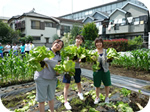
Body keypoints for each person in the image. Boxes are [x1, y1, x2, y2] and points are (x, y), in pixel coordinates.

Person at [34, 39, 64, 112]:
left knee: (51, 98)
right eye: (57, 43)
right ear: (53, 43)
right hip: (41, 78)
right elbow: (36, 61)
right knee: (41, 100)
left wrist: (61, 71)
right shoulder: (45, 51)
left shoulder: (58, 56)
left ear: (60, 48)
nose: (58, 45)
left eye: (60, 45)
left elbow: (57, 68)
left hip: (52, 79)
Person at [63, 35, 85, 110]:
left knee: (78, 82)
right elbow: (67, 55)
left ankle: (80, 93)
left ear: (82, 42)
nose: (79, 40)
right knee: (67, 84)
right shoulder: (70, 47)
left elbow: (82, 58)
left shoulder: (82, 49)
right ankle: (65, 101)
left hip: (77, 68)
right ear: (75, 39)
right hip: (69, 68)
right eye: (78, 39)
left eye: (80, 40)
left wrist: (80, 60)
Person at [93, 37, 112, 104]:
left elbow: (110, 59)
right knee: (97, 85)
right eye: (97, 42)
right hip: (97, 71)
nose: (98, 44)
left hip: (105, 70)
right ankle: (97, 97)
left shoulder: (106, 51)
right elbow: (90, 60)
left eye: (100, 42)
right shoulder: (93, 52)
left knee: (107, 84)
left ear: (102, 43)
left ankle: (107, 97)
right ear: (95, 44)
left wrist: (110, 59)